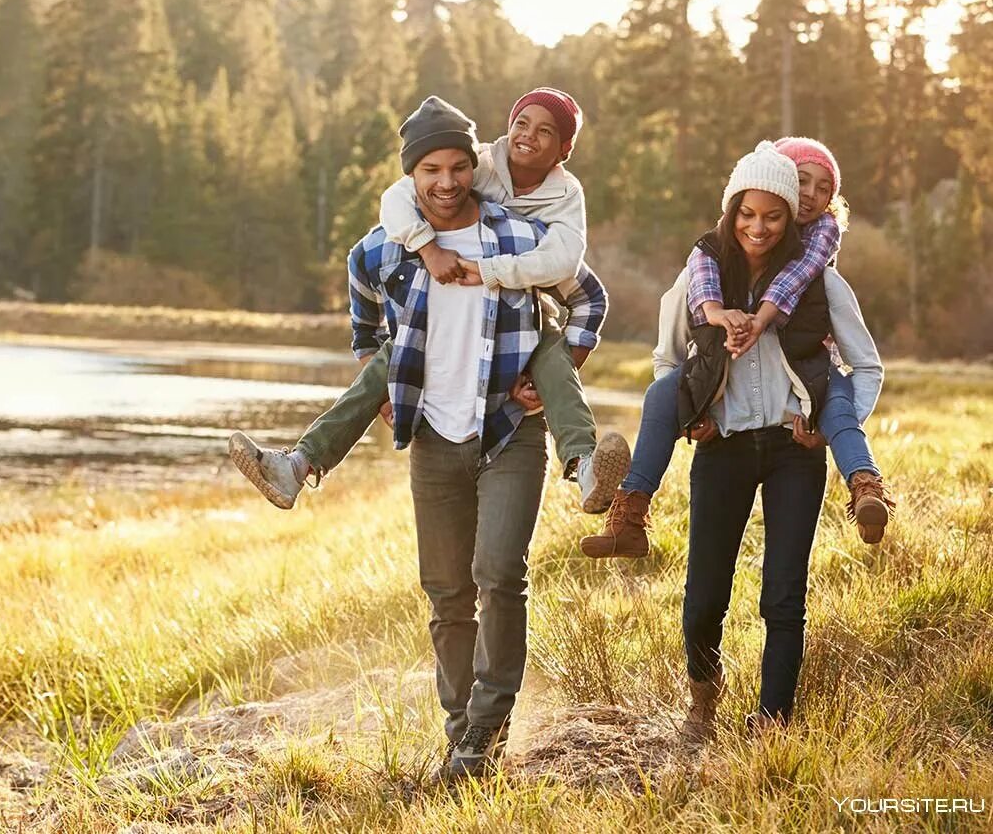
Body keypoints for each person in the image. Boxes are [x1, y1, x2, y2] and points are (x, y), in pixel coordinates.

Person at [341, 97, 605, 779]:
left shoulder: (517, 236)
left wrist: (556, 369)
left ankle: (485, 730)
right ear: (412, 177)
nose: (449, 181)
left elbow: (588, 294)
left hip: (509, 429)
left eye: (459, 167)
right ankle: (462, 734)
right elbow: (361, 297)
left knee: (499, 574)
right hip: (432, 433)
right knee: (446, 592)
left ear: (473, 168)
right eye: (431, 169)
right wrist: (378, 372)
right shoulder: (388, 243)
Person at [229, 87, 627, 515]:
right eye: (521, 124)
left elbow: (571, 266)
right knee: (392, 356)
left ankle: (585, 466)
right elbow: (397, 198)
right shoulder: (478, 166)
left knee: (552, 355)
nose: (527, 136)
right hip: (442, 326)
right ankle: (297, 465)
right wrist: (427, 248)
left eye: (545, 131)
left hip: (526, 316)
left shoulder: (564, 199)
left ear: (564, 149)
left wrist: (547, 367)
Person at [640, 142, 883, 736]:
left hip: (791, 453)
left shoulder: (820, 282)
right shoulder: (702, 276)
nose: (759, 226)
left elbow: (866, 367)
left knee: (783, 596)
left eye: (773, 215)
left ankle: (772, 721)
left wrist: (826, 429)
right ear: (734, 210)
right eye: (749, 214)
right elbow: (666, 359)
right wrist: (694, 412)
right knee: (703, 596)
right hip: (722, 447)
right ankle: (703, 699)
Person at [580, 136, 892, 559]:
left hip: (808, 376)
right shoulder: (711, 255)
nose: (812, 196)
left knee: (836, 401)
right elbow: (677, 333)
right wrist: (695, 403)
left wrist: (759, 320)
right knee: (661, 392)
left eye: (824, 189)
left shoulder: (818, 250)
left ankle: (865, 484)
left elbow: (797, 280)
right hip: (724, 416)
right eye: (802, 181)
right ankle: (631, 510)